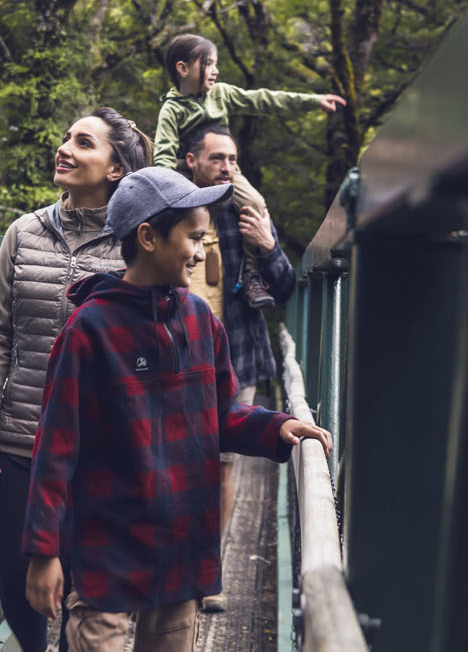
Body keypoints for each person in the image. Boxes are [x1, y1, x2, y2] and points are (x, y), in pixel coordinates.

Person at [21, 167, 332, 651]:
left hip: (180, 543)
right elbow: (55, 448)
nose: (203, 251)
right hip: (106, 546)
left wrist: (280, 426)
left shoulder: (201, 320)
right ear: (148, 237)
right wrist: (43, 553)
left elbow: (223, 414)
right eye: (193, 238)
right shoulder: (88, 330)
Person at [0, 108, 153, 652]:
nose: (65, 148)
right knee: (16, 585)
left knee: (84, 588)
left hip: (100, 449)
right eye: (66, 137)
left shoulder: (134, 245)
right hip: (23, 440)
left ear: (116, 168)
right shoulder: (23, 233)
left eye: (83, 142)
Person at [182, 121, 296, 613]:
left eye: (232, 160)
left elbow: (288, 286)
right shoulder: (174, 209)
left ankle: (209, 572)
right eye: (216, 159)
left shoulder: (247, 212)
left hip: (238, 357)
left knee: (224, 465)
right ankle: (168, 560)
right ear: (192, 161)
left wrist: (268, 246)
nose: (226, 168)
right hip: (177, 357)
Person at [152, 34, 344, 307]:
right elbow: (164, 153)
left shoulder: (221, 94)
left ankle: (251, 274)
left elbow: (265, 100)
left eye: (217, 64)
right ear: (183, 69)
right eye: (208, 64)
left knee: (254, 202)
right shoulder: (171, 109)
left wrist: (312, 101)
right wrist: (164, 192)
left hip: (226, 168)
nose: (216, 70)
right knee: (181, 213)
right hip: (188, 170)